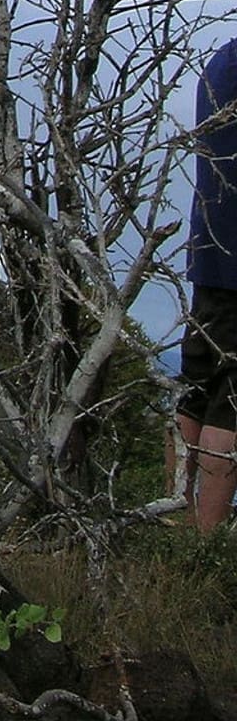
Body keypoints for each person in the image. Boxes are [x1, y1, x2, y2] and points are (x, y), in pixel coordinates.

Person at [177, 32, 237, 530]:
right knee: (230, 405)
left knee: (196, 384)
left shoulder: (221, 63)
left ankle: (177, 511)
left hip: (210, 252)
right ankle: (206, 541)